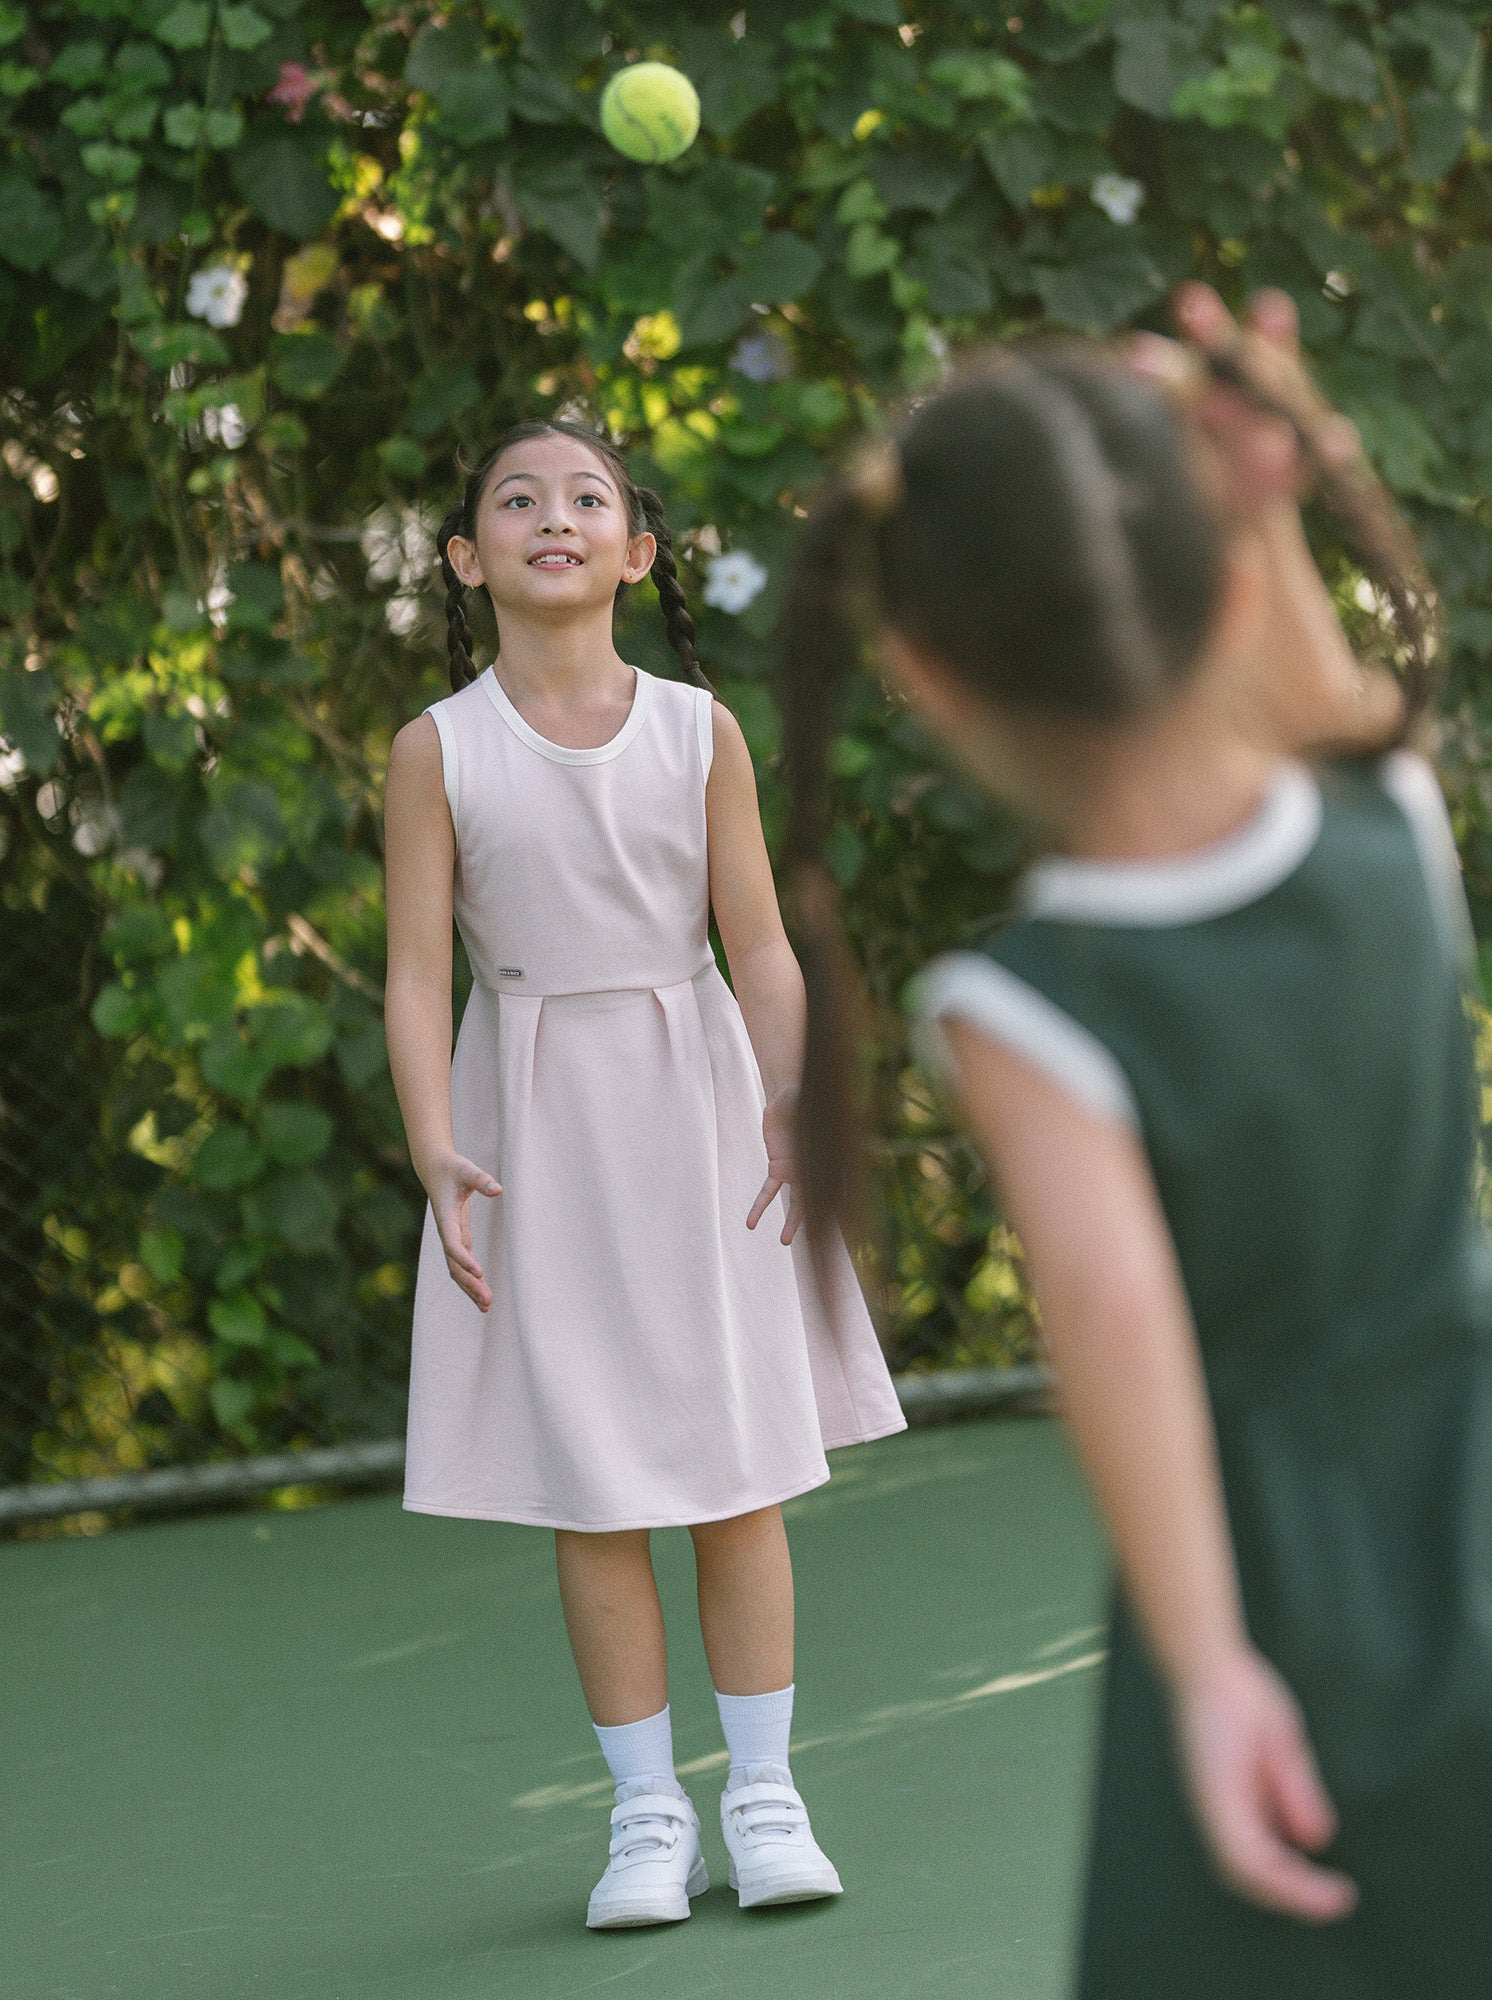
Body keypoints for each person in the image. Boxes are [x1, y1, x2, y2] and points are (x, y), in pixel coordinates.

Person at [771, 285, 1492, 1996]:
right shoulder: (1395, 824)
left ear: (920, 676)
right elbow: (1333, 701)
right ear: (1227, 582)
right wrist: (1277, 498)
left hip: (1295, 1589)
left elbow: (1119, 1322)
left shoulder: (1035, 1003)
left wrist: (1213, 1661)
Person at [382, 418, 905, 1931]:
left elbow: (761, 939)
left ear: (638, 552)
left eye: (588, 497)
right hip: (534, 1135)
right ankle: (645, 1819)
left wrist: (791, 1100)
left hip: (705, 1122)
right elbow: (419, 979)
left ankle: (765, 1795)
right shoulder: (438, 749)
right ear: (469, 560)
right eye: (518, 500)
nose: (556, 516)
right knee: (595, 1493)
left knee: (739, 1476)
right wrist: (436, 1141)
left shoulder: (700, 732)